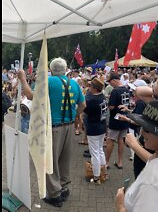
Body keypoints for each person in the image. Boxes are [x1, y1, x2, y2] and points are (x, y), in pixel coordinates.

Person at [17, 57, 86, 207]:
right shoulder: (74, 83)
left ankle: (55, 195)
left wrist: (22, 79)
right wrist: (75, 117)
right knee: (64, 159)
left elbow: (31, 97)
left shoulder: (49, 82)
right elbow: (83, 104)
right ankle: (64, 187)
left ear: (51, 69)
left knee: (50, 160)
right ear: (66, 68)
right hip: (69, 126)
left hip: (53, 128)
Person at [83, 78, 108, 184]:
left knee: (95, 154)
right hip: (102, 127)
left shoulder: (92, 100)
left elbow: (84, 108)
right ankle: (104, 173)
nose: (89, 88)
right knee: (100, 151)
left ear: (95, 88)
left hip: (93, 128)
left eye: (91, 86)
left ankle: (97, 177)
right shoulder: (102, 97)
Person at [105, 72, 131, 169]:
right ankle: (120, 162)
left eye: (111, 82)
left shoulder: (115, 91)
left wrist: (108, 102)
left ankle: (107, 162)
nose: (110, 84)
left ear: (115, 80)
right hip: (125, 118)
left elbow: (111, 107)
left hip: (115, 119)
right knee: (121, 140)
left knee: (110, 140)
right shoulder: (127, 89)